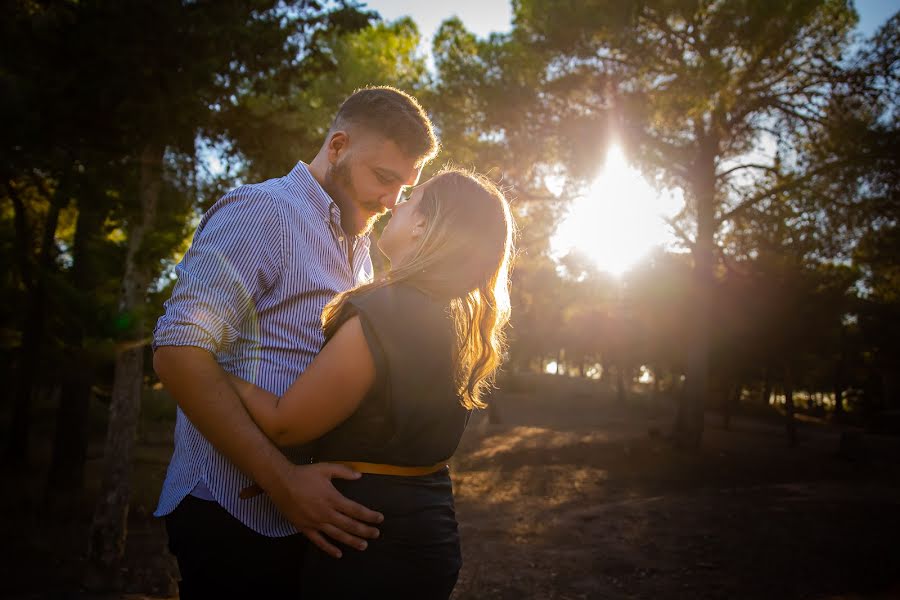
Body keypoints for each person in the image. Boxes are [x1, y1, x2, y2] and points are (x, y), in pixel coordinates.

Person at [151, 86, 439, 598]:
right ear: (338, 146)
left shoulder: (360, 250)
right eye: (384, 177)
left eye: (403, 187)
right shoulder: (261, 213)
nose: (390, 201)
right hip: (232, 514)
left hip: (306, 519)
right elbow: (177, 352)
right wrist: (285, 484)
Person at [228, 168, 515, 598]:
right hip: (425, 526)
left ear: (422, 225)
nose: (394, 204)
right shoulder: (449, 317)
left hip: (372, 544)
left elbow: (285, 424)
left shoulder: (388, 310)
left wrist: (221, 366)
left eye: (411, 198)